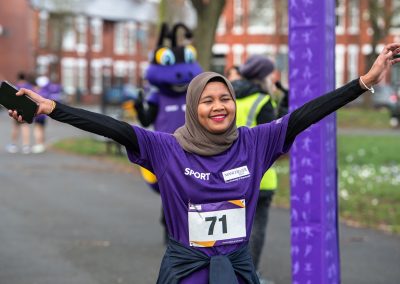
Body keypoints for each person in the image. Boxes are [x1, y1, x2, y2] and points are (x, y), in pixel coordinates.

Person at [8, 43, 400, 283]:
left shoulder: (255, 142)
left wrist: (364, 81)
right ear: (194, 108)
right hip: (186, 273)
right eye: (207, 100)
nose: (219, 106)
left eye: (224, 98)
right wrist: (51, 108)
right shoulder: (165, 148)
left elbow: (304, 115)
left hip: (239, 271)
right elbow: (112, 127)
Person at [231, 55, 281, 283]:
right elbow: (274, 139)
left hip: (231, 177)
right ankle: (250, 277)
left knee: (233, 231)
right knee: (256, 228)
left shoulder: (228, 98)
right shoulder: (262, 101)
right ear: (263, 76)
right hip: (261, 177)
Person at [5, 72, 33, 154]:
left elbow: (12, 97)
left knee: (15, 127)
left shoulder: (16, 86)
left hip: (17, 109)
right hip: (27, 109)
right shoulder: (29, 86)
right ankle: (26, 146)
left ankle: (13, 145)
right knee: (25, 127)